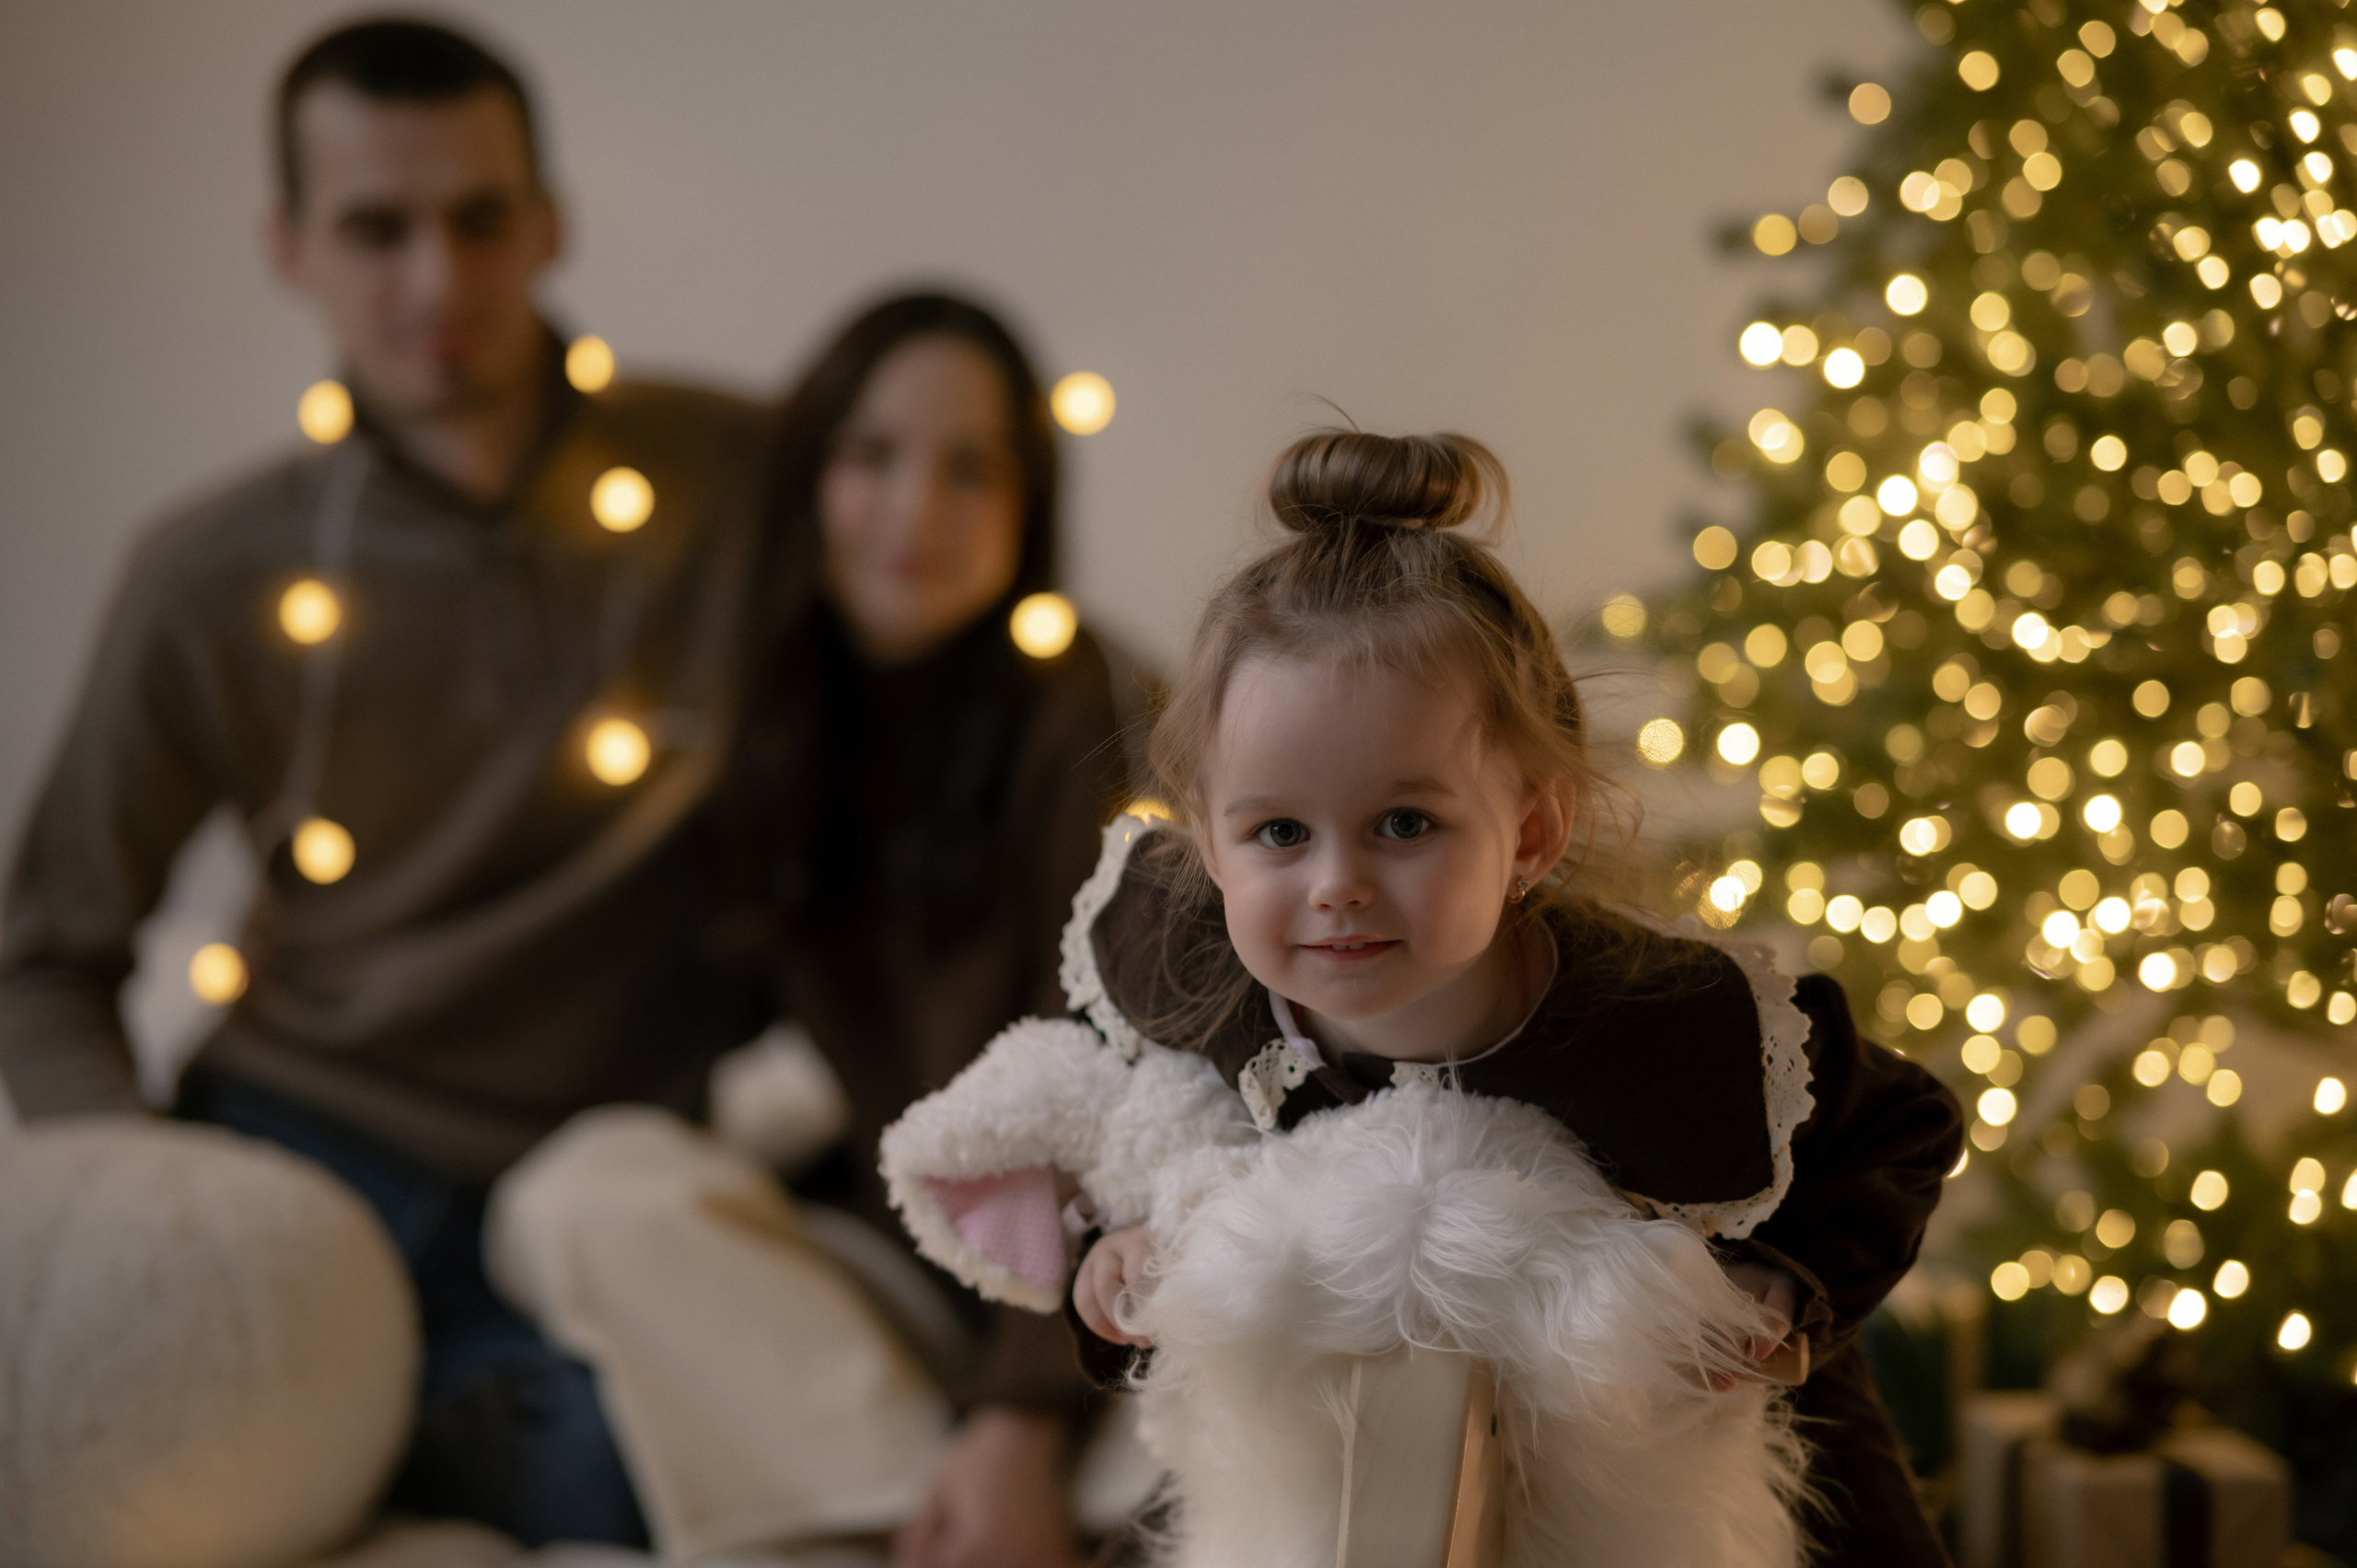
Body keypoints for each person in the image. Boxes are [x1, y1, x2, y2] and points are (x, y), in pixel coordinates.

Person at [880, 430, 1964, 1565]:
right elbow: (1142, 1122)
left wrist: (1783, 1288)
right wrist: (1117, 1243)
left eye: (1405, 823)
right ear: (1206, 838)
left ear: (1531, 832)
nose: (1335, 886)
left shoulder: (1662, 1026)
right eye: (1279, 832)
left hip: (1659, 1413)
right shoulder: (1190, 961)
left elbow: (1901, 1124)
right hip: (1348, 1390)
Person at [0, 18, 773, 1547]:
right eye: (377, 229)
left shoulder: (735, 479)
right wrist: (162, 1218)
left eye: (479, 221)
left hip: (609, 1184)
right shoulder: (213, 574)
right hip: (307, 1163)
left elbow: (1002, 633)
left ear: (549, 224)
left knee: (667, 1471)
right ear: (291, 249)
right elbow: (46, 960)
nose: (436, 284)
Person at [724, 292, 1149, 1565]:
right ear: (811, 476)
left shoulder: (1088, 718)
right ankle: (943, 1505)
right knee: (584, 1193)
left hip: (1080, 1293)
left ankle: (981, 1490)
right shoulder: (764, 710)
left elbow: (1113, 1095)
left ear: (1029, 506)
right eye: (872, 456)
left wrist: (1024, 1408)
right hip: (887, 1281)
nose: (917, 508)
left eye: (971, 468)